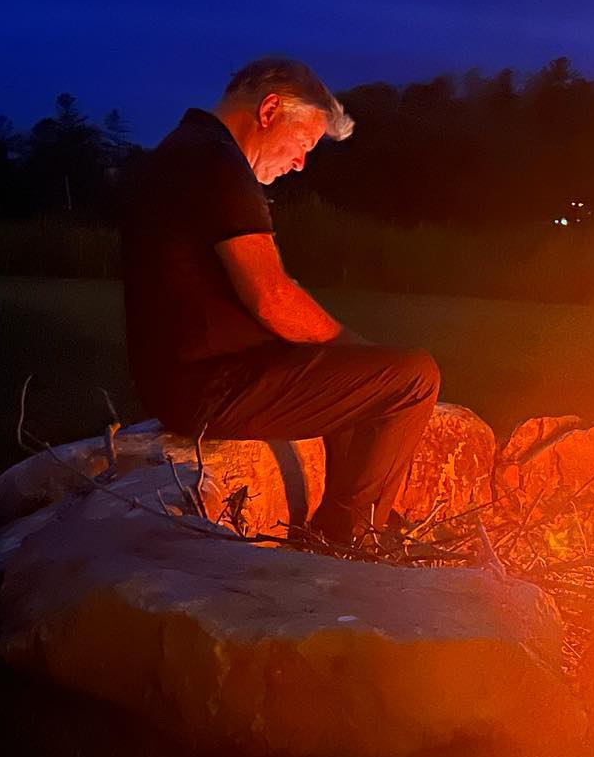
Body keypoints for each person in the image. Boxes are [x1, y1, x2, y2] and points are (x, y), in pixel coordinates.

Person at [120, 57, 440, 549]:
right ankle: (353, 539)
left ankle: (347, 527)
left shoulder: (188, 150)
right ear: (270, 110)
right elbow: (271, 296)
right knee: (413, 378)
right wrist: (348, 346)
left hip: (189, 376)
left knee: (354, 384)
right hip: (208, 385)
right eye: (304, 143)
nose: (299, 163)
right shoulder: (217, 164)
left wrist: (345, 360)